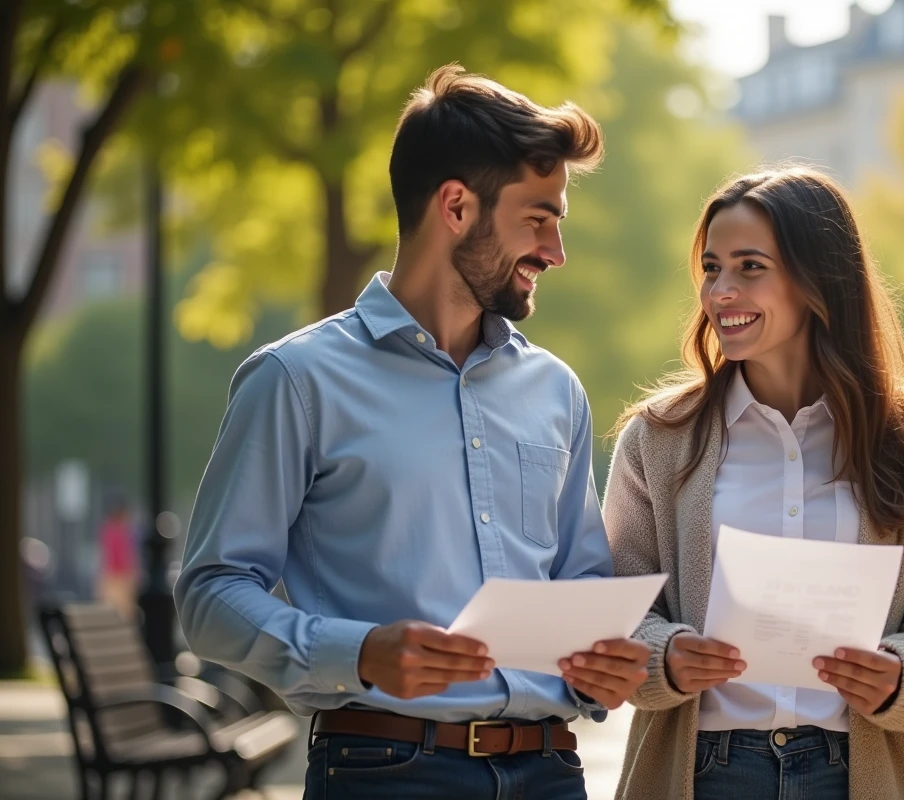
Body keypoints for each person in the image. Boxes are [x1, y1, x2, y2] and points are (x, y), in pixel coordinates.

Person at [174, 65, 650, 800]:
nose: (556, 252)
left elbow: (579, 582)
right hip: (387, 772)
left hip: (552, 772)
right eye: (538, 219)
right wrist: (358, 652)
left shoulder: (555, 388)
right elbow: (209, 594)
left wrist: (603, 663)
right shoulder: (296, 379)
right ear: (456, 206)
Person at [603, 167, 904, 800]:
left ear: (819, 280)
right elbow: (617, 607)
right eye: (711, 268)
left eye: (749, 267)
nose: (721, 291)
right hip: (703, 773)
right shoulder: (657, 439)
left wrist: (901, 675)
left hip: (856, 775)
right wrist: (666, 657)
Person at [96, 494, 138, 618]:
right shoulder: (115, 530)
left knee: (123, 612)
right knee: (117, 611)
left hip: (120, 576)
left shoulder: (123, 530)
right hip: (116, 576)